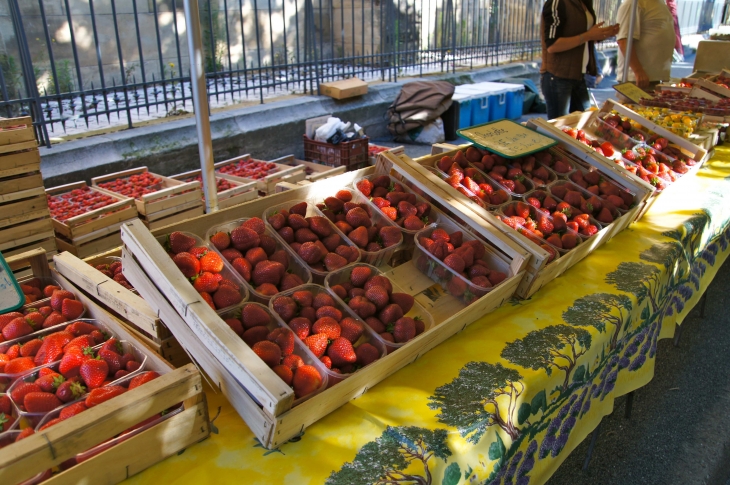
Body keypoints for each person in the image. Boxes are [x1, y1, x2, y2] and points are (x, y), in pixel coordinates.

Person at [541, 0, 620, 119]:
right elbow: (552, 46)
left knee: (585, 121)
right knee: (560, 128)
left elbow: (581, 36)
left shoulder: (583, 2)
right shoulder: (557, 3)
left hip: (578, 75)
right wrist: (589, 35)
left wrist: (601, 34)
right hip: (557, 76)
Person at [616, 0, 675, 89]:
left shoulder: (660, 3)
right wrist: (638, 71)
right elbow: (624, 41)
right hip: (638, 79)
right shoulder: (633, 4)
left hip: (655, 78)